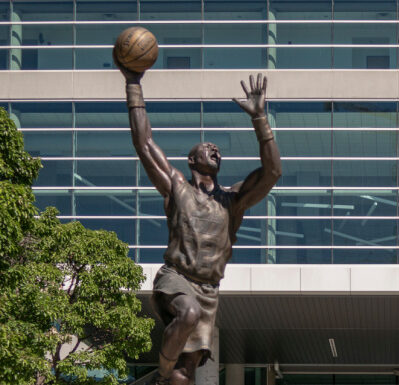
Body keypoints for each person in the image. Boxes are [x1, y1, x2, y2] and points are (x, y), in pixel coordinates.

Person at [119, 65, 281, 385]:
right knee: (187, 315)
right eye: (207, 149)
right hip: (176, 278)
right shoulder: (177, 187)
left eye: (218, 150)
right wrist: (133, 85)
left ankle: (166, 378)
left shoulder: (232, 200)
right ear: (191, 161)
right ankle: (163, 375)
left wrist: (259, 119)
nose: (215, 150)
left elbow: (272, 172)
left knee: (185, 376)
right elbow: (144, 143)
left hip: (209, 291)